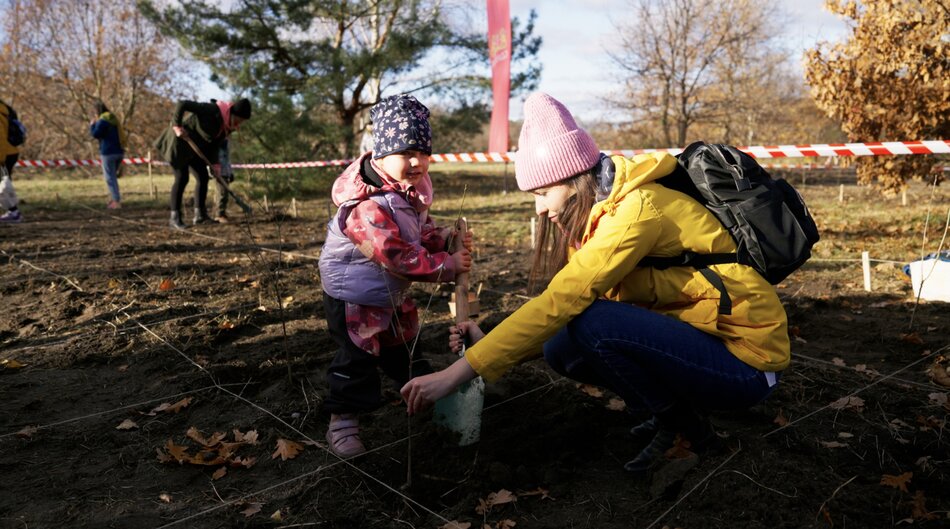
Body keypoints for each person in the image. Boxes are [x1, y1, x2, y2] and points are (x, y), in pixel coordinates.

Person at [400, 93, 790, 474]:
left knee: (594, 323)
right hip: (703, 342)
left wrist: (457, 373)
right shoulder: (599, 218)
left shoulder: (637, 212)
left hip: (746, 365)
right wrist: (488, 342)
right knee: (561, 347)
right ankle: (667, 413)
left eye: (543, 192)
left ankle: (685, 430)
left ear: (574, 179)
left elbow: (563, 301)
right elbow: (558, 309)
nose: (539, 207)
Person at [318, 94, 473, 458]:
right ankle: (342, 421)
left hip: (391, 296)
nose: (417, 161)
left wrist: (444, 240)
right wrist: (444, 268)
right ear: (381, 154)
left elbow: (418, 234)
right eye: (406, 152)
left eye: (423, 151)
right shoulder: (365, 206)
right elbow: (394, 254)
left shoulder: (409, 191)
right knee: (356, 362)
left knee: (405, 352)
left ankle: (422, 395)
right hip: (355, 299)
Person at [154, 98, 251, 230]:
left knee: (203, 177)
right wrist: (177, 126)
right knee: (182, 178)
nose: (239, 123)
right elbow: (183, 104)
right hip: (178, 143)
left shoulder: (227, 126)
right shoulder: (212, 110)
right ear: (233, 113)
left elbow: (214, 144)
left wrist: (215, 165)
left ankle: (200, 216)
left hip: (195, 149)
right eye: (239, 119)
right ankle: (174, 218)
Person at [89, 101, 125, 209]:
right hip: (119, 151)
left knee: (110, 178)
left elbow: (96, 134)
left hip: (108, 152)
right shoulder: (114, 119)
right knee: (113, 177)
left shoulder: (102, 121)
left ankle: (116, 201)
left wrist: (92, 125)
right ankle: (115, 198)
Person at [0, 99, 23, 223]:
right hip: (9, 152)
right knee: (4, 183)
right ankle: (13, 211)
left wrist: (1, 160)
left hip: (4, 154)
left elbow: (1, 139)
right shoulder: (4, 109)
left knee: (3, 184)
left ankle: (14, 212)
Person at [212, 139, 234, 223]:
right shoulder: (216, 147)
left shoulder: (225, 146)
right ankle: (219, 214)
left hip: (225, 172)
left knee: (225, 194)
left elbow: (227, 161)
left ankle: (222, 213)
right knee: (221, 193)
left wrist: (230, 172)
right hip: (219, 173)